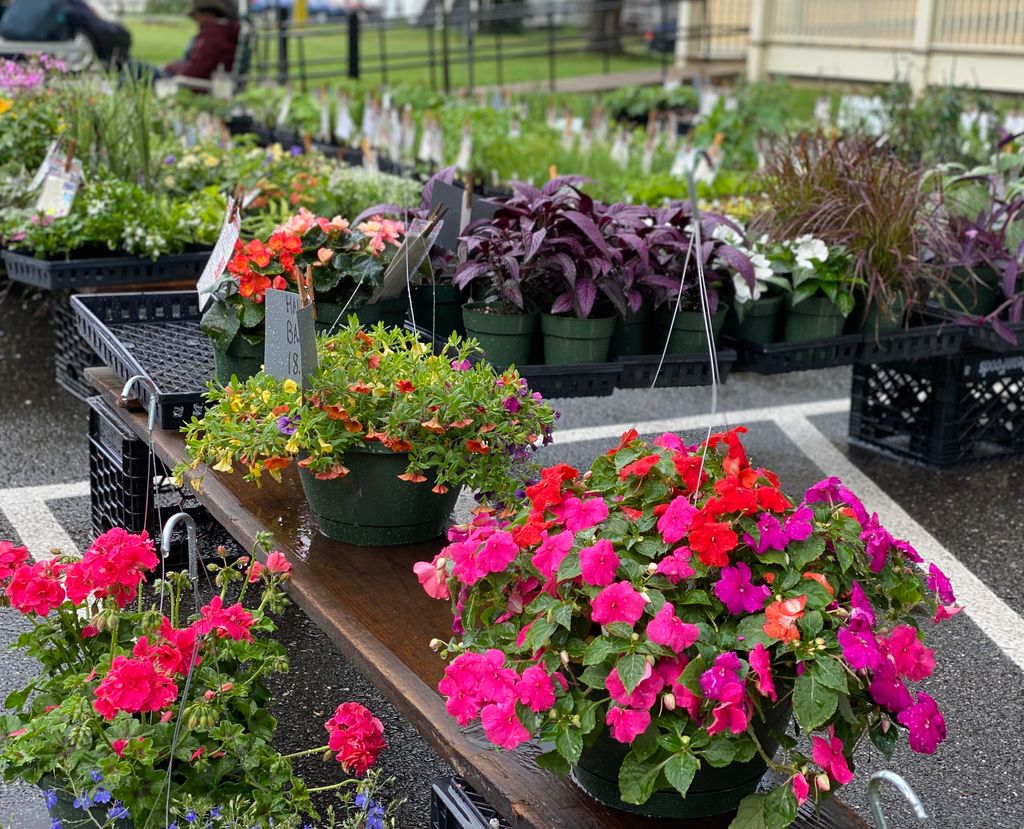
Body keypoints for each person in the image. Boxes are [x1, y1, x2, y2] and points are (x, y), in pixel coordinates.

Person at [163, 0, 240, 82]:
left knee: (148, 69)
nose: (195, 21)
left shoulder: (213, 34)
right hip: (208, 78)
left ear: (207, 14)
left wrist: (172, 67)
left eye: (195, 16)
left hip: (196, 83)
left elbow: (195, 71)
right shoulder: (225, 32)